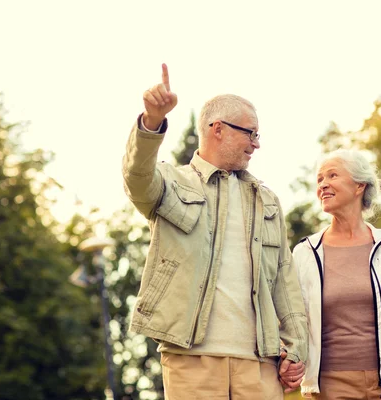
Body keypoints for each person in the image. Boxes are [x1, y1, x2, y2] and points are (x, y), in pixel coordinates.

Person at [122, 64, 308, 399]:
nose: (256, 144)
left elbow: (284, 278)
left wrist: (296, 349)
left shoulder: (267, 200)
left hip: (260, 362)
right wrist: (151, 122)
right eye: (249, 133)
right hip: (191, 358)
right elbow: (136, 177)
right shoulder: (172, 182)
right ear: (218, 129)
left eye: (257, 135)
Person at [291, 149, 381, 400]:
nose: (323, 184)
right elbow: (293, 321)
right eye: (319, 179)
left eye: (332, 175)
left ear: (359, 185)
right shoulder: (305, 253)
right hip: (331, 387)